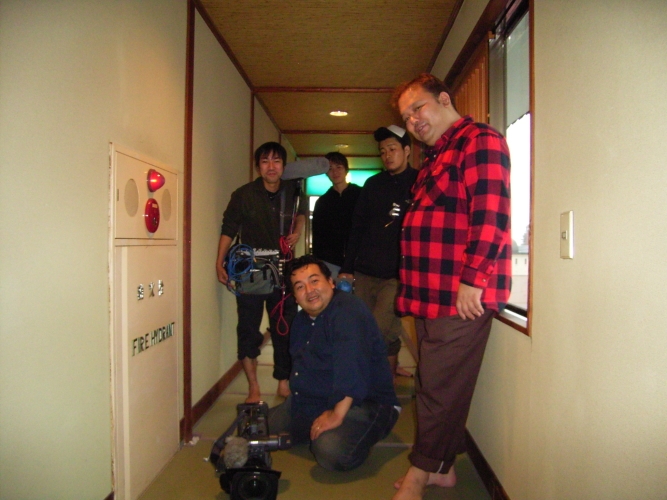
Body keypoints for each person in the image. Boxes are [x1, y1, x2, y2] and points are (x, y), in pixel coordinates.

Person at [391, 73, 512, 500]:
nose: (413, 121)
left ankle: (420, 474)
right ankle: (442, 468)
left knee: (437, 389)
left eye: (418, 108)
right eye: (406, 117)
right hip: (430, 294)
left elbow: (492, 214)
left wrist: (472, 280)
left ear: (444, 99)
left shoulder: (479, 140)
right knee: (438, 383)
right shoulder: (437, 156)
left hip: (459, 296)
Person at [268, 255, 400, 471]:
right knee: (263, 428)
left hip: (366, 401)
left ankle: (362, 432)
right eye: (300, 287)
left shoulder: (348, 311)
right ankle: (322, 425)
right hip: (318, 399)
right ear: (295, 297)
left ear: (331, 282)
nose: (309, 290)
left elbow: (352, 367)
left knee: (330, 451)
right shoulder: (301, 320)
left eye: (314, 281)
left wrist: (337, 414)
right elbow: (299, 364)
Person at [216, 142, 307, 404]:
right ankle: (253, 387)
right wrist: (219, 262)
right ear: (258, 167)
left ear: (283, 166)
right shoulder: (243, 195)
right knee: (247, 330)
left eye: (276, 161)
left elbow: (301, 213)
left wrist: (298, 230)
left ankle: (283, 381)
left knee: (285, 328)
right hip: (250, 271)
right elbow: (229, 228)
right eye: (265, 161)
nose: (271, 166)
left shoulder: (292, 191)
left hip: (283, 269)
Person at [338, 125, 418, 376]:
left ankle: (371, 386)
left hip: (397, 276)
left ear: (407, 150)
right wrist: (347, 268)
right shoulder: (372, 184)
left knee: (375, 330)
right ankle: (386, 389)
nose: (387, 155)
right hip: (365, 272)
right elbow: (357, 227)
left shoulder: (420, 182)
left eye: (392, 149)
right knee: (381, 332)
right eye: (383, 151)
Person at [311, 152, 362, 278]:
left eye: (339, 167)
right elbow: (317, 234)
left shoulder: (361, 195)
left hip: (359, 259)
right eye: (330, 169)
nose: (335, 172)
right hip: (330, 261)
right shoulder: (322, 202)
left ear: (346, 170)